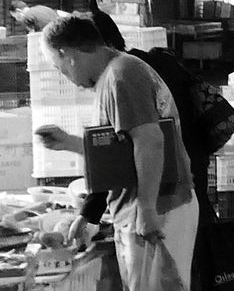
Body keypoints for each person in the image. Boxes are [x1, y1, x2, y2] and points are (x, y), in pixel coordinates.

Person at [36, 16, 199, 291]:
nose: (67, 77)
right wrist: (69, 144)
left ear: (69, 55)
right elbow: (120, 153)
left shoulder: (122, 75)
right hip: (145, 207)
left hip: (159, 208)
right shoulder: (113, 75)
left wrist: (146, 209)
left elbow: (150, 142)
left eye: (59, 67)